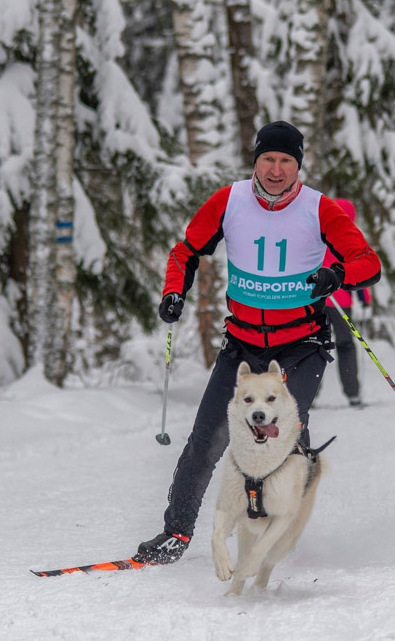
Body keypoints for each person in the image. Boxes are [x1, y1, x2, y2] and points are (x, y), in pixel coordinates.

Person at [136, 120, 382, 565]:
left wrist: (338, 274)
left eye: (286, 160)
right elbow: (186, 251)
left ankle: (282, 519)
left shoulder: (319, 208)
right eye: (268, 158)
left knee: (283, 434)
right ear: (256, 160)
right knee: (207, 438)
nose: (276, 169)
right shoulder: (229, 201)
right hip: (243, 345)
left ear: (298, 166)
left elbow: (368, 262)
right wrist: (174, 290)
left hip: (301, 344)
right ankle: (176, 533)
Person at [321, 199, 372, 408]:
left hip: (315, 300)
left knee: (315, 346)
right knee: (345, 345)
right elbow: (358, 269)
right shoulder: (350, 238)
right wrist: (364, 298)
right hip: (340, 301)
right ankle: (353, 393)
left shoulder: (319, 233)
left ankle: (309, 395)